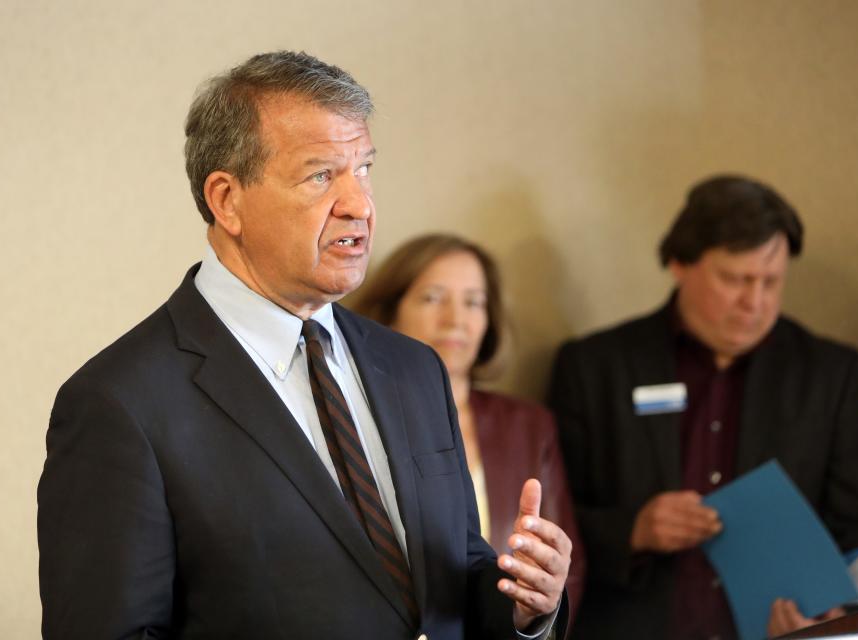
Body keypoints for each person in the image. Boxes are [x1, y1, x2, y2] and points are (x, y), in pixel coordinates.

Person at [37, 51, 571, 640]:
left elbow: (450, 583)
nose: (359, 205)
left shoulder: (414, 367)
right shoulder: (120, 403)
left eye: (363, 169)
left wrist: (524, 608)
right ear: (227, 200)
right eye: (322, 175)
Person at [547, 174, 858, 639]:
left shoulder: (829, 373)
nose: (755, 302)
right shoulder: (594, 367)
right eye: (735, 279)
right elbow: (549, 517)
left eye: (771, 282)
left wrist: (836, 614)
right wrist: (633, 530)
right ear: (679, 263)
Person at [352, 233, 587, 617]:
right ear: (389, 312)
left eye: (473, 302)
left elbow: (563, 570)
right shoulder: (350, 413)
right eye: (432, 298)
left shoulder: (528, 425)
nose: (456, 320)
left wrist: (532, 621)